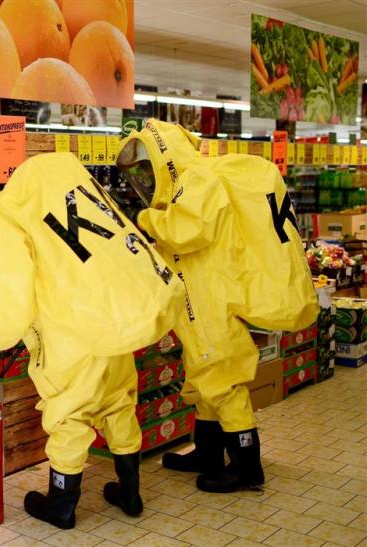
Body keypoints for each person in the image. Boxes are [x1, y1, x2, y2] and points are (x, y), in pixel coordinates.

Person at [0, 155, 184, 528]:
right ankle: (129, 491)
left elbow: (12, 303)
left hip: (66, 333)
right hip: (104, 319)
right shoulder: (17, 203)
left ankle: (62, 505)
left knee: (68, 415)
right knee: (118, 402)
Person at [116, 119, 318, 493]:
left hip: (210, 295)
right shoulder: (188, 181)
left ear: (164, 155)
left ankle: (246, 466)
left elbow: (189, 230)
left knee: (221, 377)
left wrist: (145, 218)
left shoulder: (196, 179)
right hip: (199, 291)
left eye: (147, 166)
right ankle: (207, 452)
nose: (143, 178)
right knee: (202, 373)